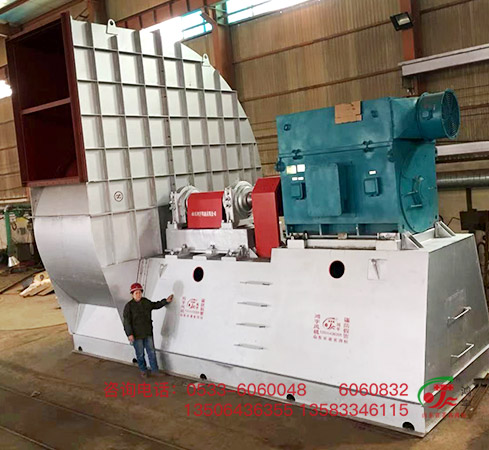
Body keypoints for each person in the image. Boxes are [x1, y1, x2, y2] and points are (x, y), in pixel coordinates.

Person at [123, 282, 173, 378]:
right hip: (136, 335)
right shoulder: (128, 307)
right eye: (136, 293)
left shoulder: (146, 302)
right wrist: (129, 334)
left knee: (151, 352)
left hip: (147, 333)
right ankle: (143, 370)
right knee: (140, 354)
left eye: (139, 292)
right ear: (132, 294)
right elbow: (126, 322)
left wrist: (165, 301)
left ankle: (155, 370)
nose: (138, 294)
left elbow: (155, 305)